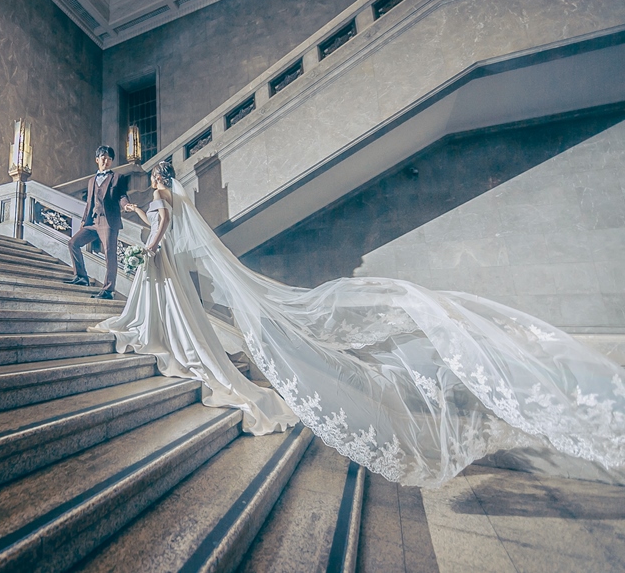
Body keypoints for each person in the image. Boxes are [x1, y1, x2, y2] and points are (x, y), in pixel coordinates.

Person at [95, 160, 625, 488]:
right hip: (156, 258)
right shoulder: (173, 198)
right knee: (173, 316)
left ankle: (158, 337)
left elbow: (162, 224)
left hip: (155, 256)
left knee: (176, 322)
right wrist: (148, 232)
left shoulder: (165, 197)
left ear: (160, 179)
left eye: (154, 180)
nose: (152, 187)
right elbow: (162, 222)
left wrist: (149, 244)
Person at [65, 145, 131, 300]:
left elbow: (121, 195)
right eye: (103, 157)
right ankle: (81, 277)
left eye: (109, 158)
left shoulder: (117, 178)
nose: (106, 161)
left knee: (110, 254)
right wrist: (83, 221)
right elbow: (89, 203)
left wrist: (126, 205)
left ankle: (108, 290)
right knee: (73, 243)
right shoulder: (91, 181)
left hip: (108, 221)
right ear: (97, 159)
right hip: (92, 221)